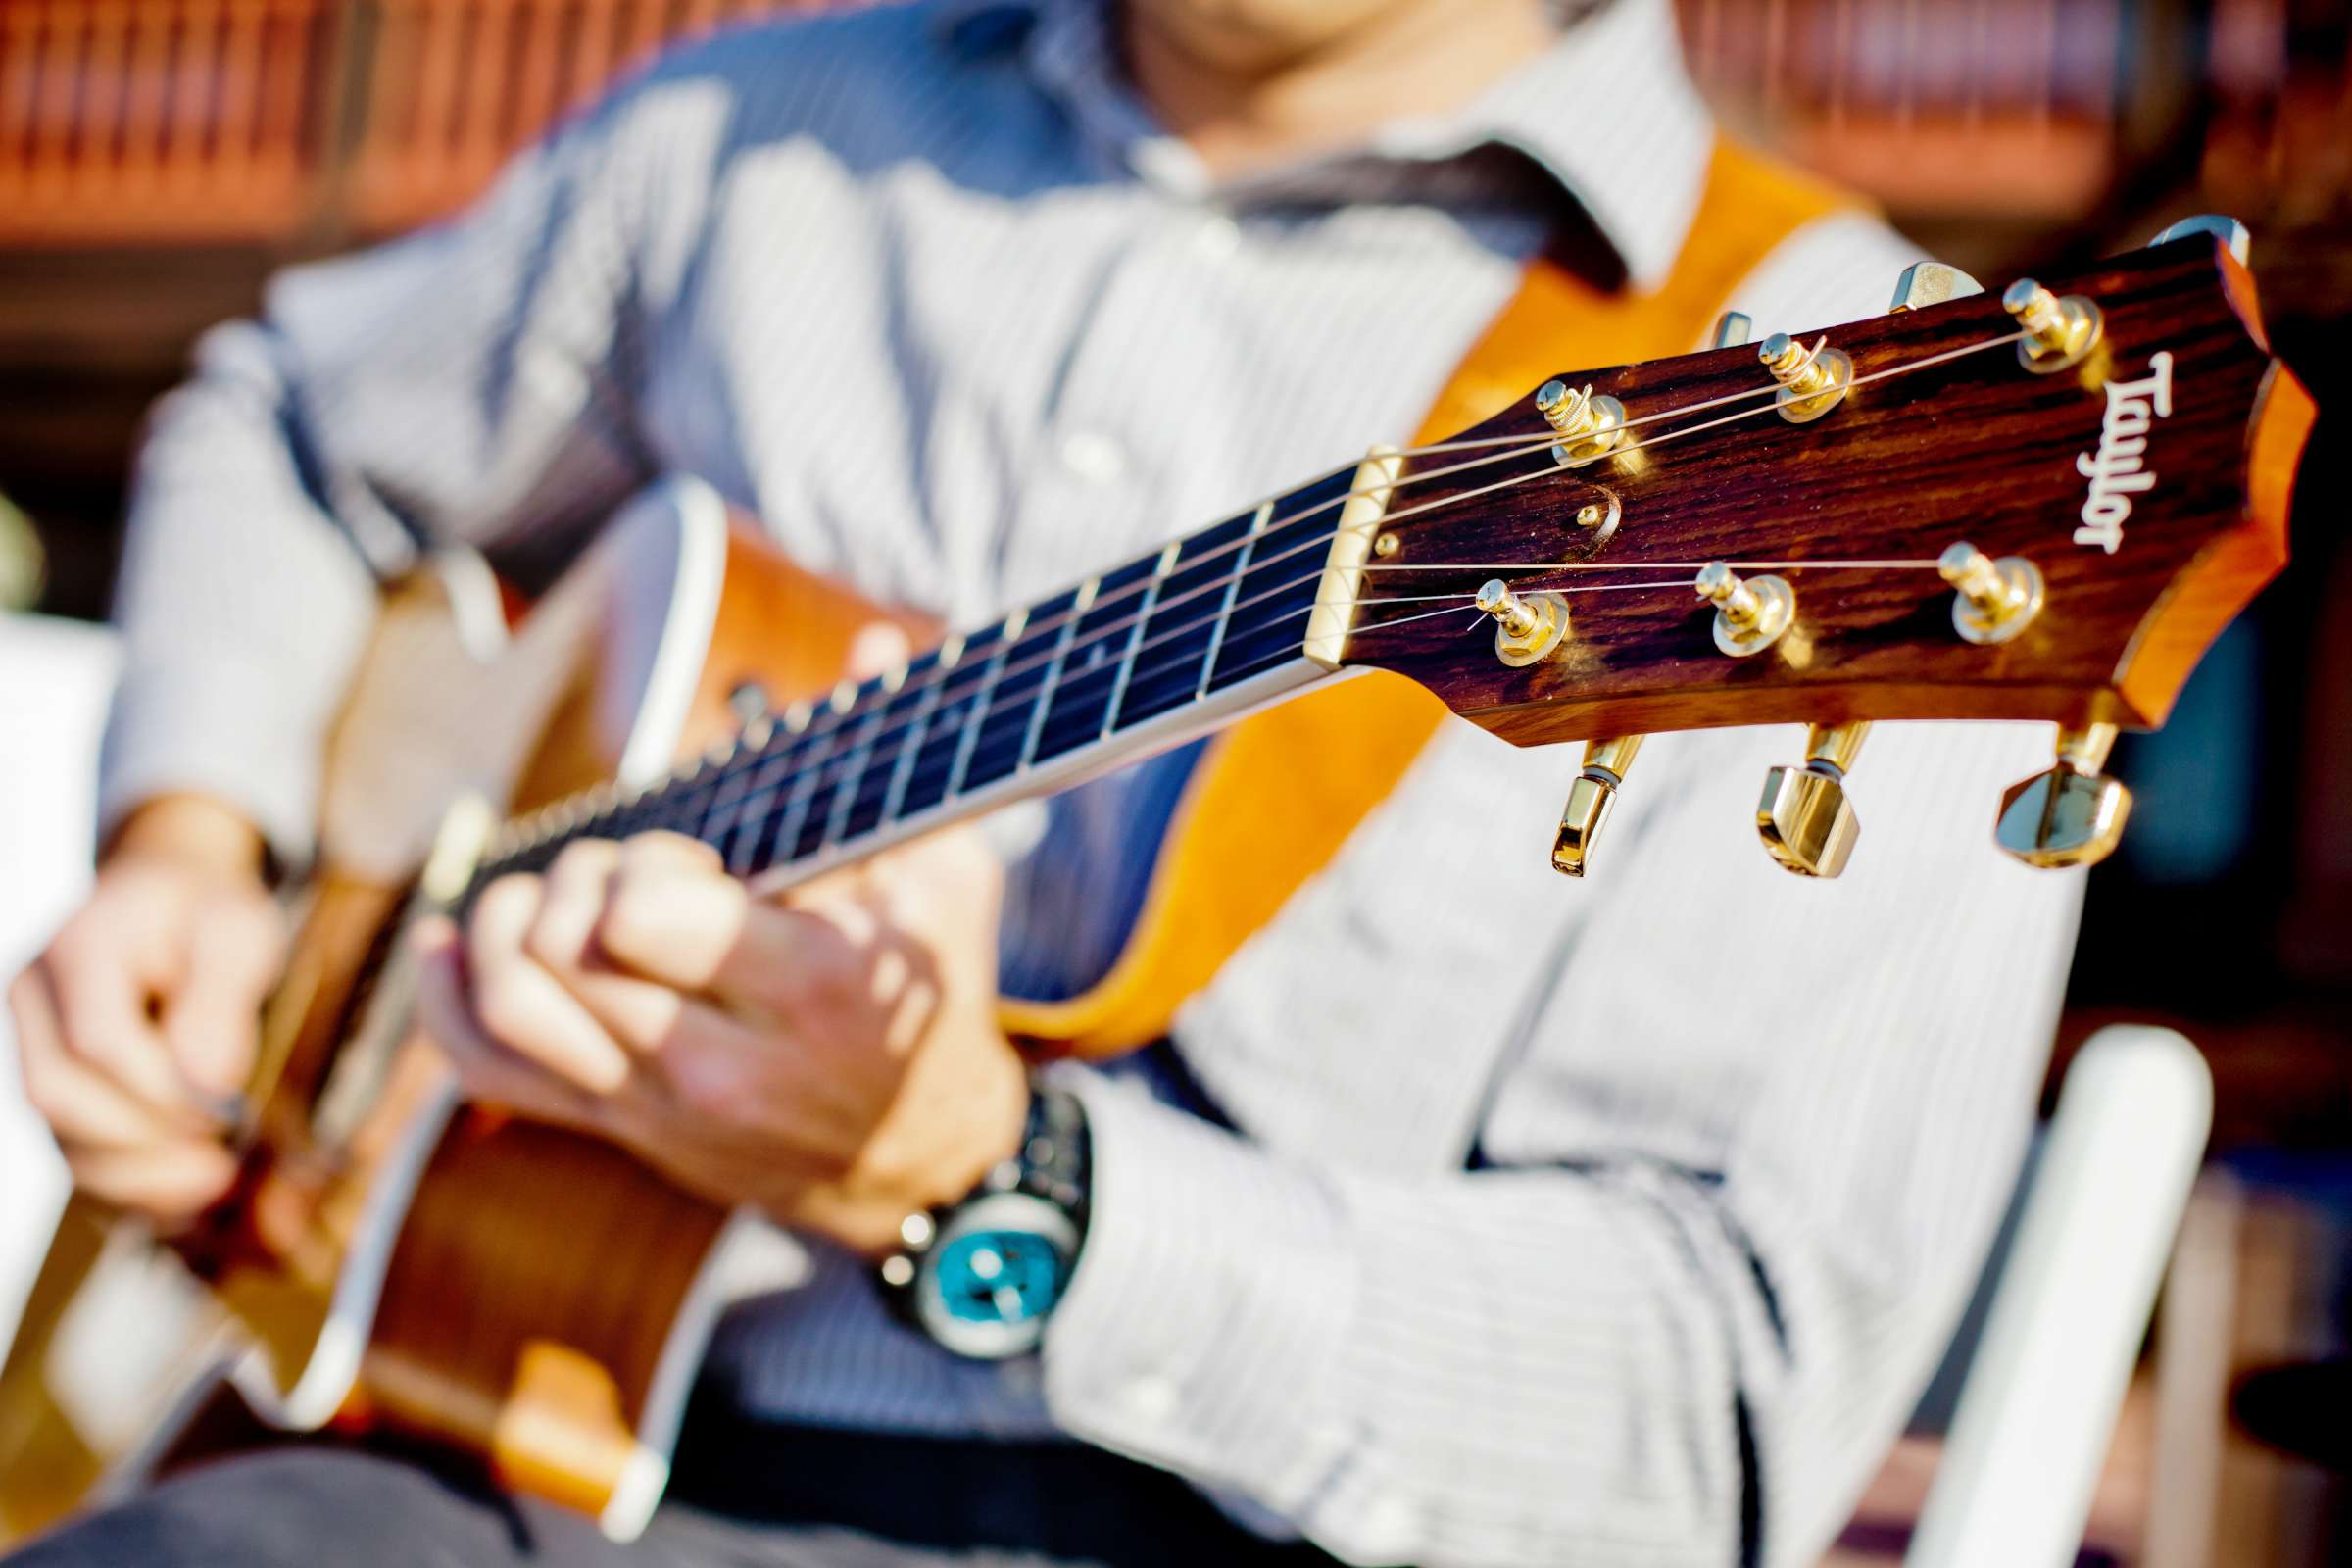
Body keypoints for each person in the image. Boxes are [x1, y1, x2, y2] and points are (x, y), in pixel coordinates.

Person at [3, 0, 2090, 1562]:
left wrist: (991, 1187)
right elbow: (290, 422)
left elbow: (1717, 1416)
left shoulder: (1857, 411)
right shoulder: (763, 136)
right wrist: (192, 829)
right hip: (460, 1415)